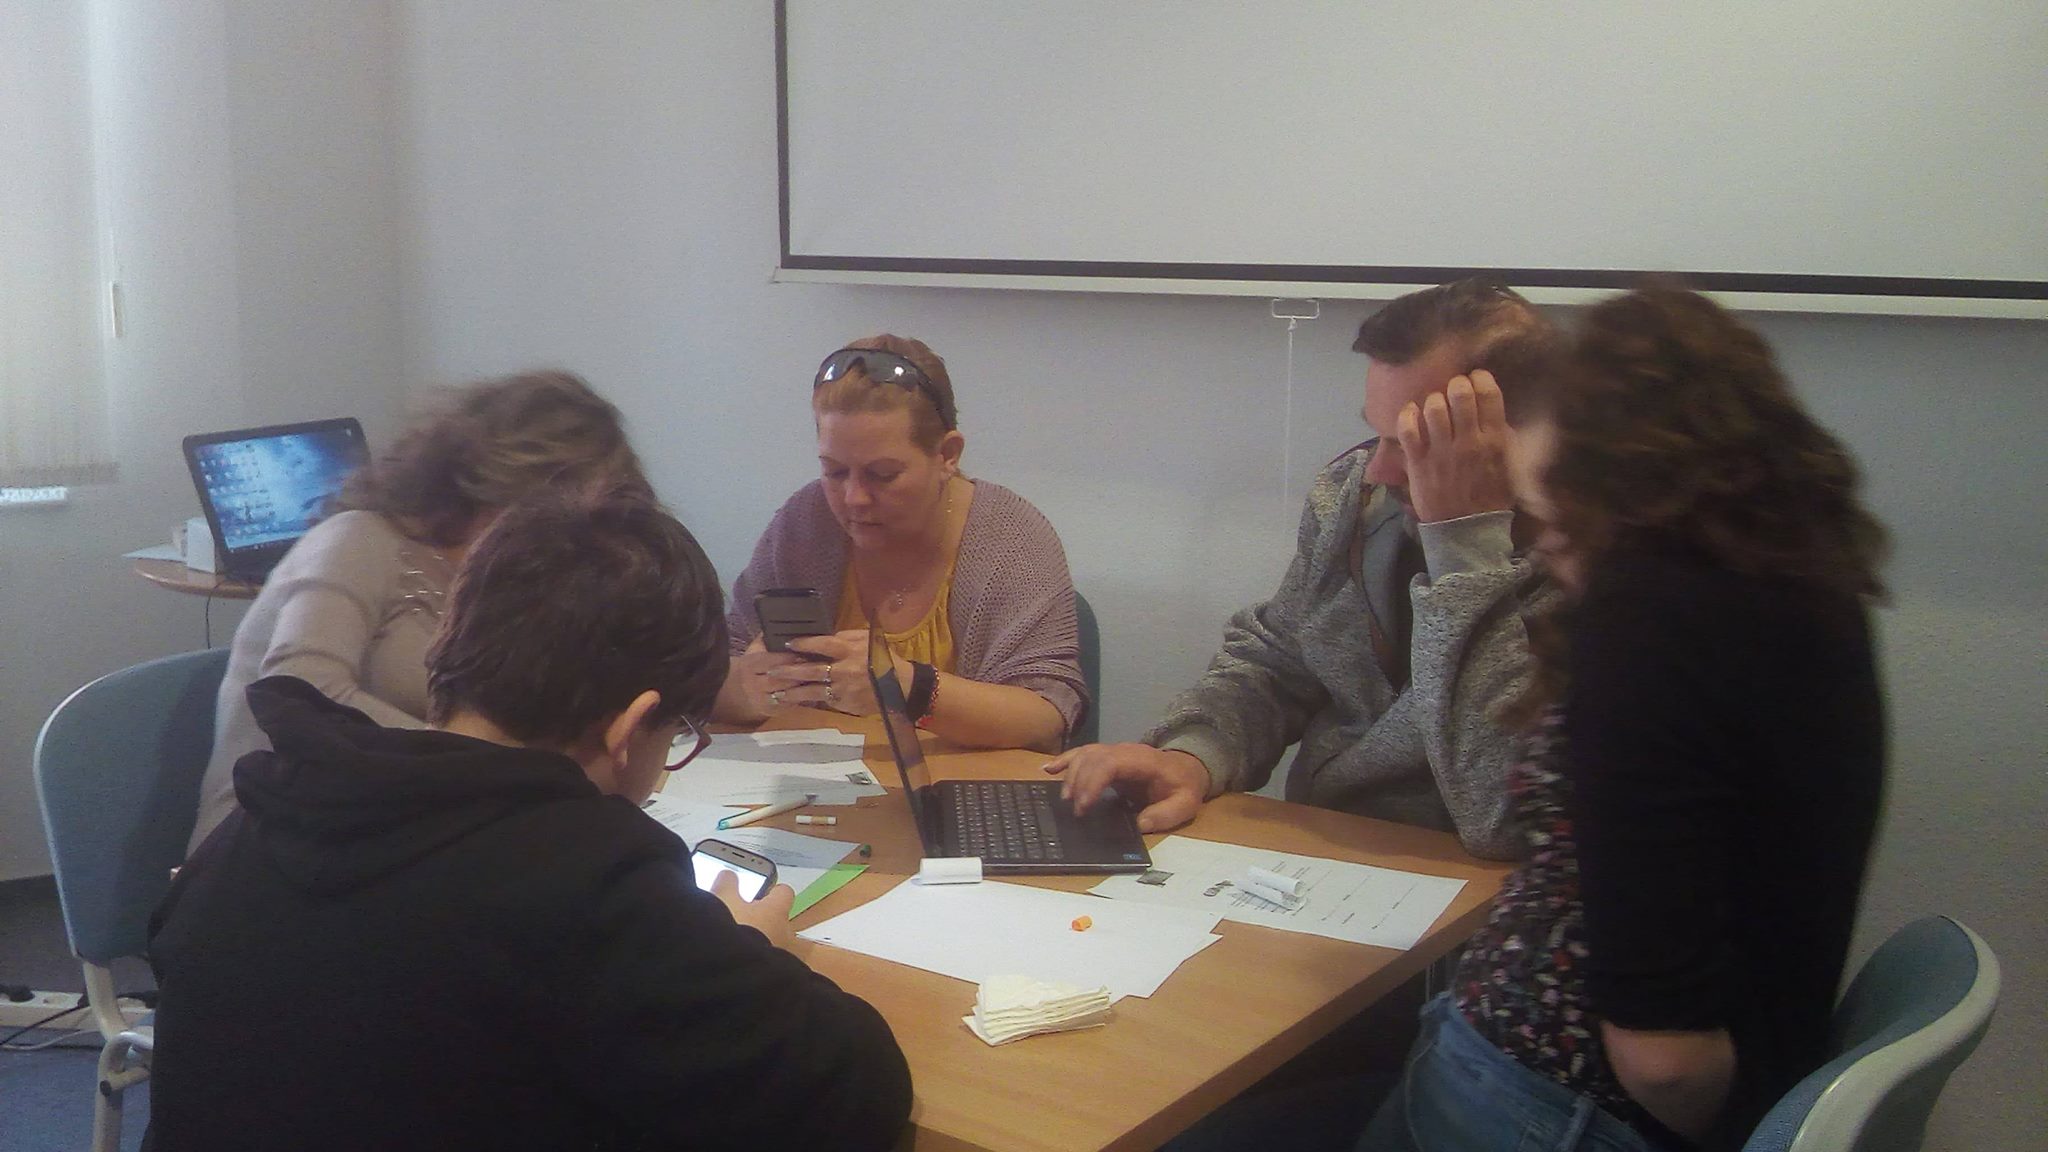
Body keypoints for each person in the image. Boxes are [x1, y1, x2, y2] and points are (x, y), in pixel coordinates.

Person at [145, 489, 913, 1152]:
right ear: (629, 729)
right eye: (675, 738)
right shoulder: (591, 888)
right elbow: (863, 1095)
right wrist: (757, 954)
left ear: (449, 654)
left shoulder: (250, 829)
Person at [1358, 286, 1889, 1152]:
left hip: (1542, 1106)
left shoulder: (1651, 623)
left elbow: (1665, 1060)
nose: (1545, 537)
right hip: (1537, 1076)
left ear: (1621, 484)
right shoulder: (1798, 582)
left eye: (1550, 508)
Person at [1048, 280, 1558, 858]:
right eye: (1378, 434)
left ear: (1516, 433)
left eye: (1413, 443)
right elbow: (1283, 660)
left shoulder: (1589, 562)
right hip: (1331, 852)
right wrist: (1192, 756)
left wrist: (1464, 543)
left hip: (1478, 881)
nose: (1378, 470)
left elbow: (1503, 819)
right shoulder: (1356, 500)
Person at [188, 370, 649, 851]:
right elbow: (302, 691)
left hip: (419, 825)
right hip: (275, 838)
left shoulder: (519, 580)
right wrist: (491, 766)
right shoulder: (358, 539)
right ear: (500, 488)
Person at [714, 334, 1085, 754]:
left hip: (961, 787)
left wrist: (910, 689)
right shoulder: (805, 524)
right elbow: (710, 677)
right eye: (835, 472)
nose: (854, 497)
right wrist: (747, 689)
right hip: (818, 783)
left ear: (947, 455)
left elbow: (1048, 715)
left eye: (883, 475)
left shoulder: (1010, 537)